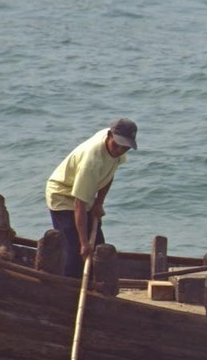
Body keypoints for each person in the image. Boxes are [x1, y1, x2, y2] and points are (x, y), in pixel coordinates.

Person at [45, 118, 138, 277]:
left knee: (98, 248)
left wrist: (99, 203)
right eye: (117, 144)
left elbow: (109, 174)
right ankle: (68, 291)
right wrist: (83, 243)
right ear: (109, 135)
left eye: (125, 147)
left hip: (85, 194)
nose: (119, 150)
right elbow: (79, 204)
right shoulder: (91, 161)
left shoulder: (117, 148)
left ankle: (93, 287)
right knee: (75, 251)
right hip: (62, 195)